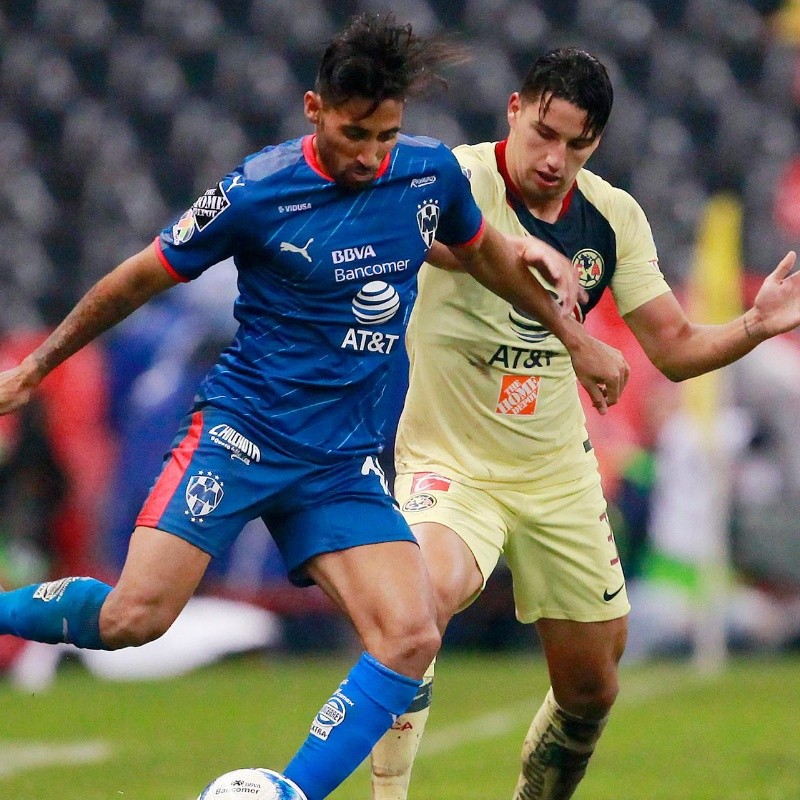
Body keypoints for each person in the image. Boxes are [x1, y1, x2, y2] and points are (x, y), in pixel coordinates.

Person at [0, 19, 617, 800]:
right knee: (135, 617)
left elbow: (479, 250)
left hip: (341, 464)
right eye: (355, 133)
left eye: (386, 135)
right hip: (241, 435)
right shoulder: (257, 190)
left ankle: (289, 793)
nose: (370, 155)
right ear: (313, 109)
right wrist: (37, 368)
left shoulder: (426, 174)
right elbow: (137, 278)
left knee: (409, 635)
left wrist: (571, 330)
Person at [369, 47, 800, 800]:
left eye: (575, 144)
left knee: (592, 690)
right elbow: (407, 236)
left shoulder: (612, 217)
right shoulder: (454, 178)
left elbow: (675, 348)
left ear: (595, 143)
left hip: (557, 475)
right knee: (419, 603)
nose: (552, 158)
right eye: (542, 133)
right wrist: (509, 251)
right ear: (513, 109)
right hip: (451, 463)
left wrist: (754, 326)